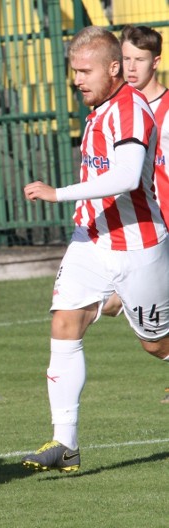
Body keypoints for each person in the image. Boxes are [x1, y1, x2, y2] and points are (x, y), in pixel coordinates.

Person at [21, 26, 169, 473]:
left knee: (157, 346)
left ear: (113, 68)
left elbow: (125, 177)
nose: (77, 80)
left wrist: (57, 193)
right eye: (73, 73)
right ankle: (64, 444)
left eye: (85, 71)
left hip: (138, 244)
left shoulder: (129, 110)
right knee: (66, 321)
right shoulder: (101, 108)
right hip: (91, 239)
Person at [105, 25, 169, 404]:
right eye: (125, 59)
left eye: (138, 60)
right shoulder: (117, 109)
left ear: (155, 62)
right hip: (139, 229)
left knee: (110, 305)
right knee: (113, 307)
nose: (130, 67)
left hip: (162, 226)